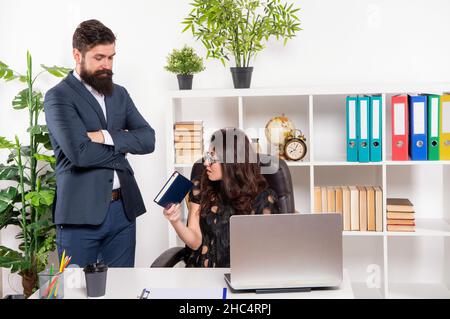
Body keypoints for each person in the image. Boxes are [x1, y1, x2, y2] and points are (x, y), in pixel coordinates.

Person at [44, 19, 155, 268]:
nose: (107, 65)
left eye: (111, 57)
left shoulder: (120, 94)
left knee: (121, 290)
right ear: (77, 55)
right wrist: (124, 144)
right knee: (76, 291)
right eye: (99, 57)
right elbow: (80, 154)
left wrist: (105, 136)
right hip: (79, 217)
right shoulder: (58, 97)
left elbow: (149, 139)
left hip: (122, 212)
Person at [164, 128, 279, 267]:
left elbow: (268, 251)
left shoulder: (264, 198)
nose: (206, 163)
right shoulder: (200, 186)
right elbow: (195, 243)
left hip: (243, 273)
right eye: (207, 156)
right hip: (202, 274)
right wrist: (176, 222)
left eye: (213, 158)